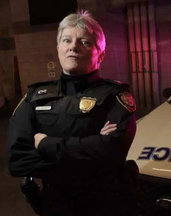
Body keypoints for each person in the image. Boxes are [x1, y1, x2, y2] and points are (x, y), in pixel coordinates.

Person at [7, 10, 138, 216]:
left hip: (106, 205)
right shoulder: (35, 96)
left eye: (84, 42)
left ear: (100, 54)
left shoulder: (115, 94)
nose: (73, 47)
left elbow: (114, 151)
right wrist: (93, 150)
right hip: (56, 206)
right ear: (59, 48)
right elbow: (18, 160)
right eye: (66, 40)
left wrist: (45, 144)